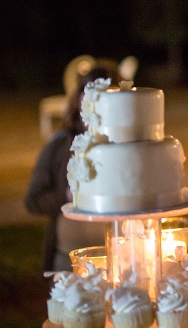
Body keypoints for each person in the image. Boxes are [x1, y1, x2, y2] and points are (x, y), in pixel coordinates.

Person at [24, 64, 119, 272]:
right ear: (78, 101)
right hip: (68, 260)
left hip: (121, 260)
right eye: (91, 97)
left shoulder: (130, 148)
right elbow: (33, 200)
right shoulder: (61, 145)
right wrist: (67, 195)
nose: (99, 105)